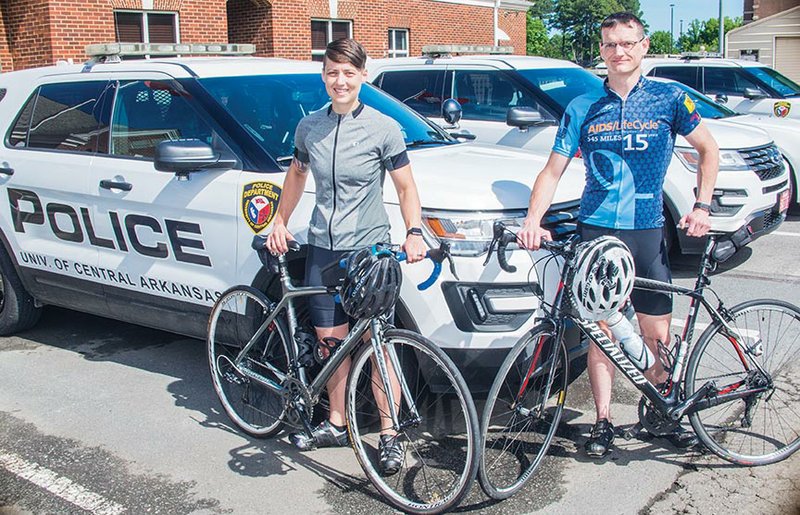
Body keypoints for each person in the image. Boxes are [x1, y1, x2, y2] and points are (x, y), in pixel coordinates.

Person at [517, 12, 720, 458]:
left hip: (647, 231)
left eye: (627, 43)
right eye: (610, 45)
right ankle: (603, 420)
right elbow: (552, 171)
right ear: (602, 51)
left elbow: (709, 150)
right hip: (597, 232)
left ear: (644, 46)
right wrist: (533, 219)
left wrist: (702, 207)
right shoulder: (583, 107)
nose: (619, 52)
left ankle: (662, 410)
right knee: (602, 332)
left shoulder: (669, 98)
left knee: (655, 332)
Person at [265, 38, 426, 475]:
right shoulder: (309, 127)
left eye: (349, 73)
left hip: (368, 250)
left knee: (378, 343)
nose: (341, 80)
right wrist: (280, 220)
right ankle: (337, 421)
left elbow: (406, 187)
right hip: (322, 246)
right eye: (333, 72)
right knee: (330, 343)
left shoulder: (384, 127)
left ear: (363, 76)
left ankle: (390, 433)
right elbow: (297, 176)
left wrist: (413, 231)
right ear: (323, 76)